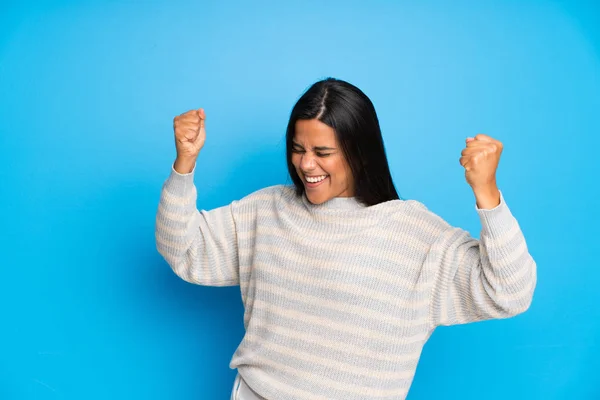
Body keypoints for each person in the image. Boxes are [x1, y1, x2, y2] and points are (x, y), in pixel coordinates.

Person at [155, 78, 537, 400]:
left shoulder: (415, 236)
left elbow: (510, 292)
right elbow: (183, 249)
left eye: (323, 152)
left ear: (360, 153)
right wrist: (184, 165)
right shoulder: (267, 210)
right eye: (298, 149)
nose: (306, 164)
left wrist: (487, 192)